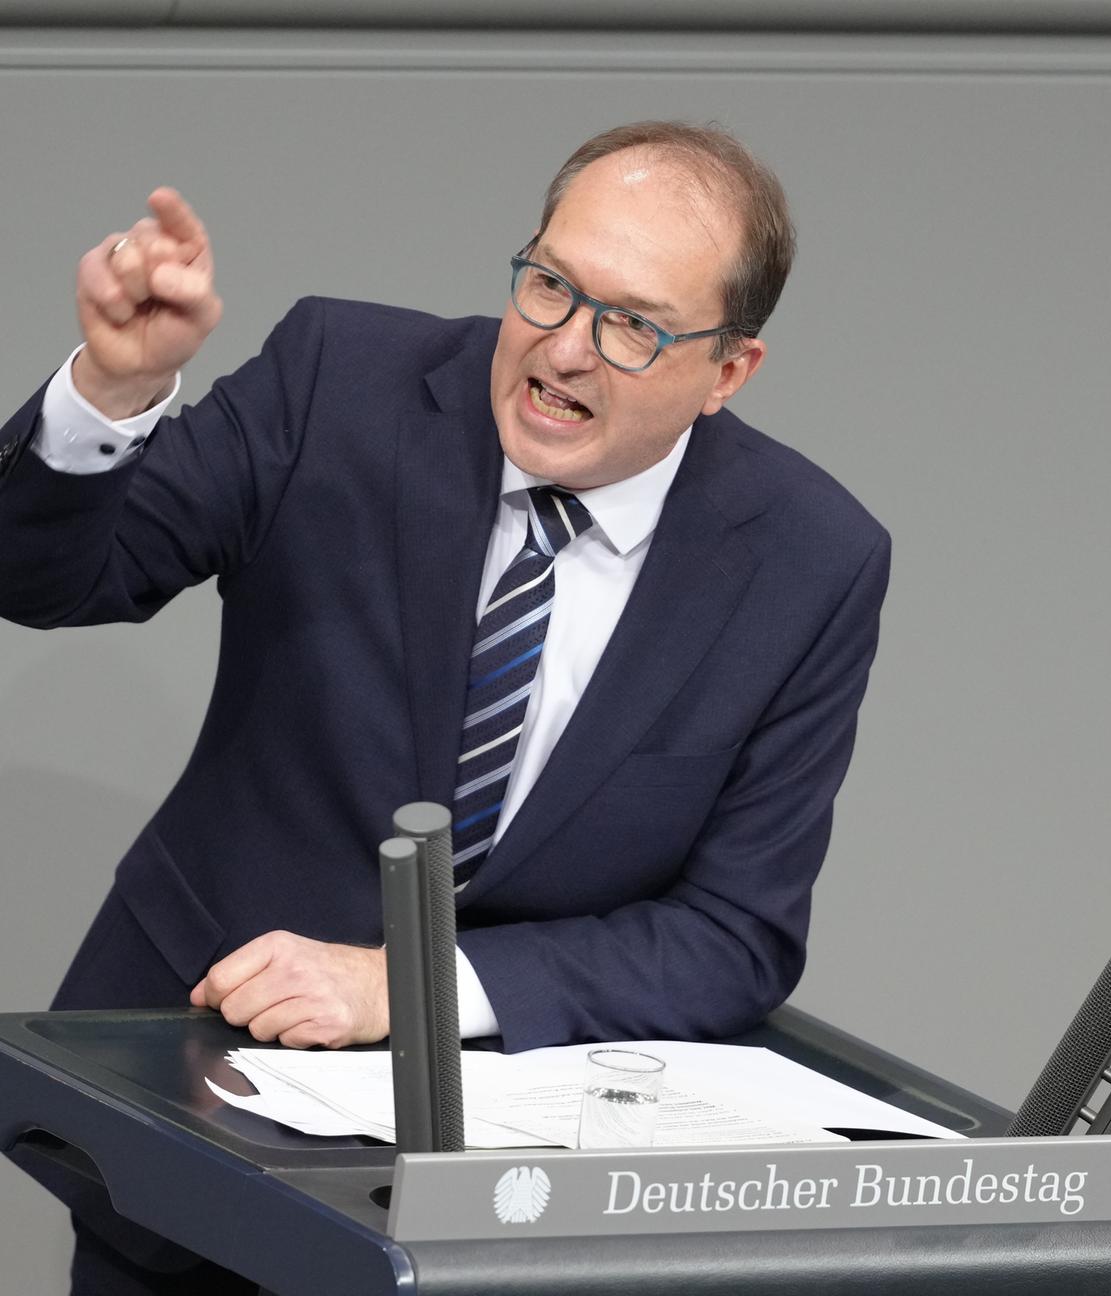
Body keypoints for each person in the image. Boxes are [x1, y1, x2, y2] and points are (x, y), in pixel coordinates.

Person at [0, 121, 889, 1293]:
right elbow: (49, 581)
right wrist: (113, 387)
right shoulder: (340, 380)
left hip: (523, 1200)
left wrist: (404, 987)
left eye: (631, 323)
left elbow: (737, 931)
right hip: (197, 1120)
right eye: (550, 285)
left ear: (728, 371)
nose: (565, 350)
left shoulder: (810, 560)